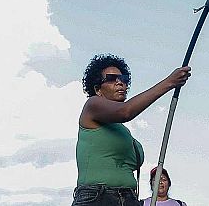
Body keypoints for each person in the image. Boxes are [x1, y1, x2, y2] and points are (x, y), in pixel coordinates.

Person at [74, 55, 191, 206]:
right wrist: (170, 82)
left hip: (129, 198)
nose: (120, 82)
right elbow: (125, 111)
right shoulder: (92, 106)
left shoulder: (122, 131)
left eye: (124, 78)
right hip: (98, 197)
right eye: (111, 78)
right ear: (98, 89)